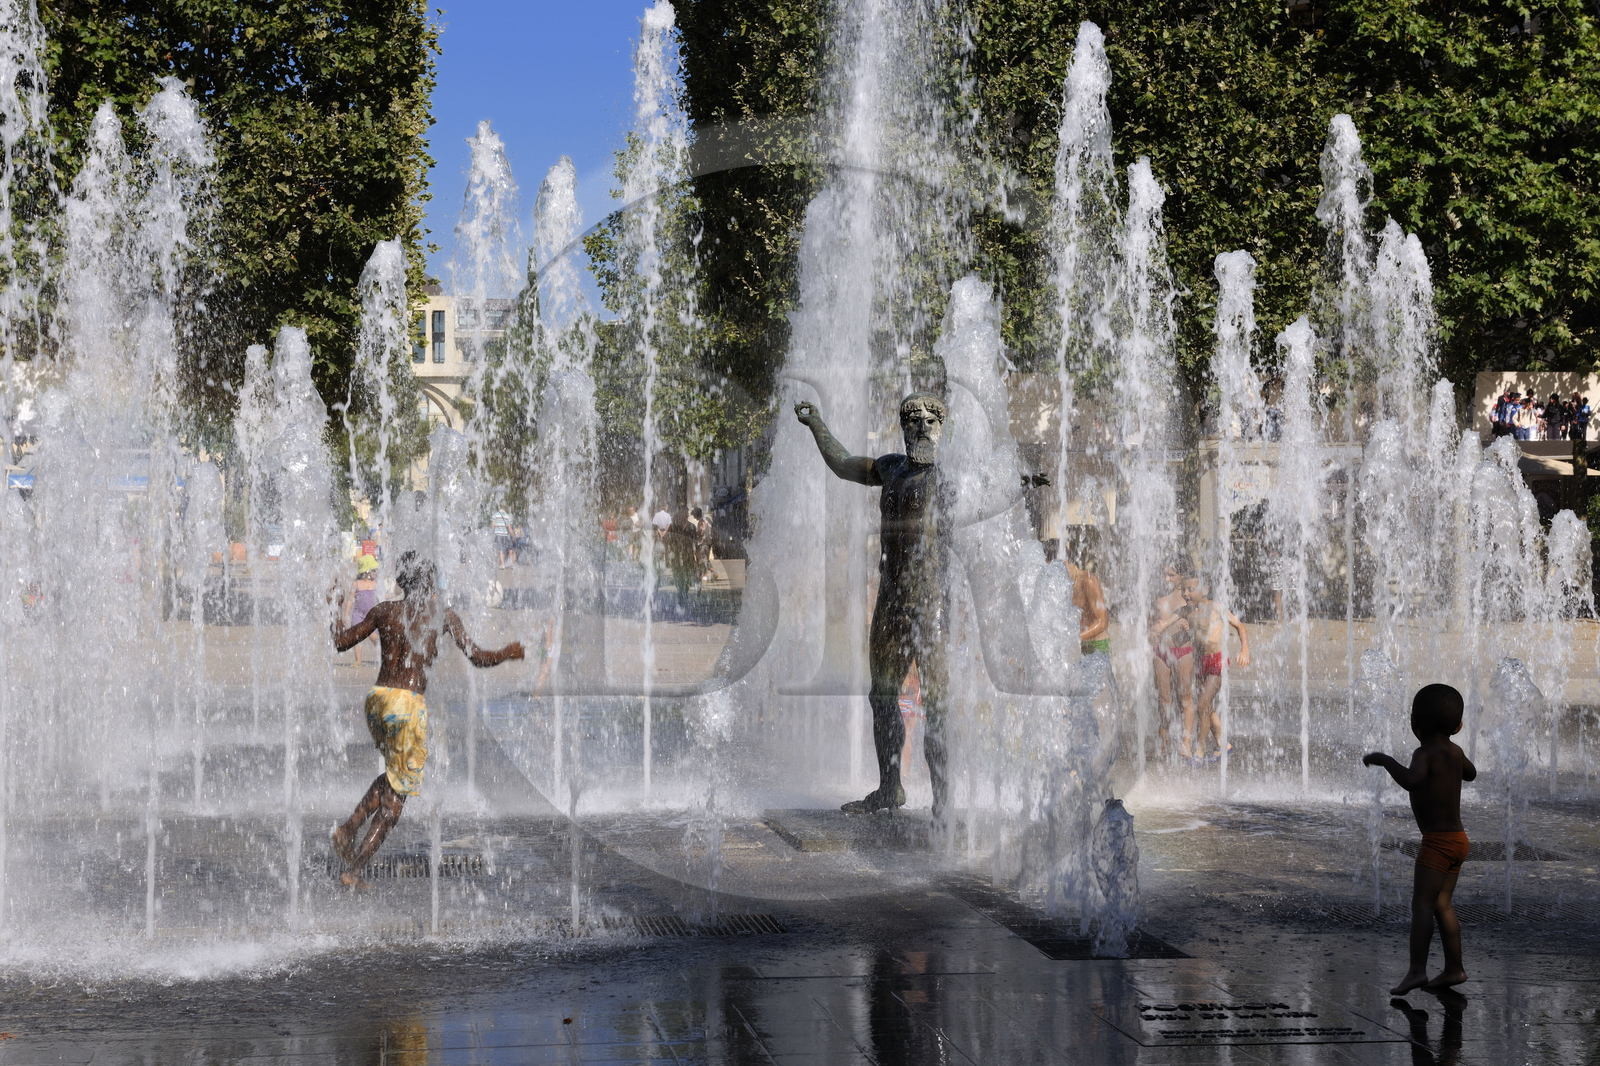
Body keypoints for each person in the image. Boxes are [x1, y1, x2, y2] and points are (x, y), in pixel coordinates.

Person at [328, 551, 525, 888]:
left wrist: (335, 605)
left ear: (402, 581)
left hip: (378, 701)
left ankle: (348, 830)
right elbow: (477, 657)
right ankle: (354, 869)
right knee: (395, 803)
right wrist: (507, 652)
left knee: (393, 778)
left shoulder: (384, 611)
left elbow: (340, 642)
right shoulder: (443, 617)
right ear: (432, 582)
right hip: (407, 707)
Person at [1362, 683, 1477, 995]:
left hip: (1437, 844)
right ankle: (1455, 968)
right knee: (1443, 904)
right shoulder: (1456, 751)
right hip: (1459, 840)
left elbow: (1412, 781)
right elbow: (1471, 773)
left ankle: (1416, 971)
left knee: (1422, 904)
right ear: (1458, 726)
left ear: (1414, 724)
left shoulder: (1423, 753)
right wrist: (1456, 763)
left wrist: (1386, 761)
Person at [1174, 574, 1250, 761]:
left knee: (1202, 704)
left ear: (1204, 590)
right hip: (1201, 662)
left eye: (1191, 589)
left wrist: (1245, 650)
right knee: (1207, 707)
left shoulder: (1216, 608)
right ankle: (1223, 744)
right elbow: (1186, 638)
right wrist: (1181, 633)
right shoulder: (1188, 613)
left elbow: (1239, 626)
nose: (1186, 593)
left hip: (1217, 660)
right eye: (1183, 589)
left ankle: (1199, 750)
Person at [1150, 561, 1195, 759]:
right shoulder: (1158, 598)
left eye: (1171, 575)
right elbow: (1149, 624)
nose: (1166, 579)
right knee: (1164, 698)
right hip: (1161, 651)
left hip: (1182, 650)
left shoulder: (1188, 597)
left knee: (1184, 696)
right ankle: (1164, 736)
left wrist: (1189, 627)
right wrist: (1150, 633)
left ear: (1182, 577)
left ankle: (1186, 741)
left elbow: (1202, 623)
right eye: (1165, 575)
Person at [1065, 556, 1109, 657]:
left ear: (1066, 561)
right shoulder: (1067, 585)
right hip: (1083, 645)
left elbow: (1103, 622)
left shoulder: (1088, 581)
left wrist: (1076, 638)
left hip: (1098, 645)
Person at [349, 554, 379, 667]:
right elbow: (350, 600)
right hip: (357, 614)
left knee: (374, 637)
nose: (375, 572)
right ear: (366, 571)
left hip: (371, 616)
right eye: (373, 570)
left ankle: (383, 652)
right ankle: (358, 660)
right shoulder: (356, 584)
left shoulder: (375, 584)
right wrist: (346, 613)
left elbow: (380, 598)